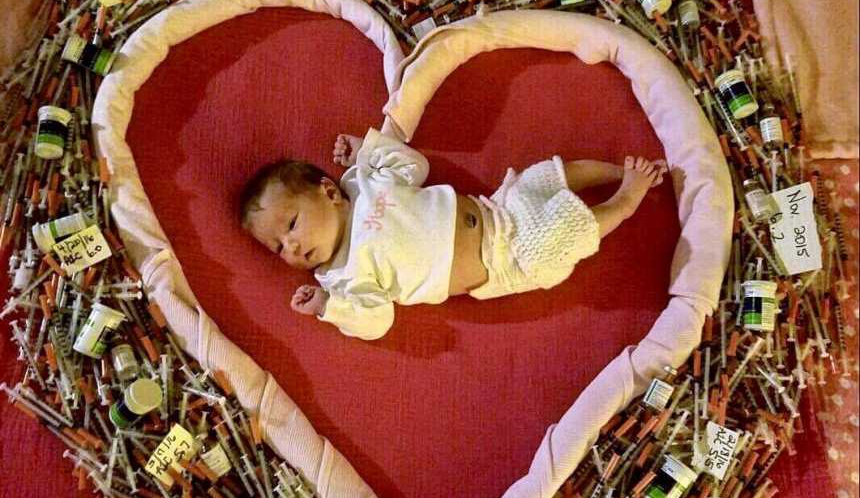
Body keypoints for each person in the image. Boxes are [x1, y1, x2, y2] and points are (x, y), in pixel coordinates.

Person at [240, 128, 667, 340]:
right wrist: (329, 308)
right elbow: (377, 321)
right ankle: (624, 201)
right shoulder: (341, 277)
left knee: (544, 176)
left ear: (329, 191)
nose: (292, 246)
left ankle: (619, 171)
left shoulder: (364, 183)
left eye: (292, 225)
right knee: (563, 232)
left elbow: (415, 168)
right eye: (279, 248)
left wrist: (368, 152)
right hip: (507, 260)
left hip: (498, 206)